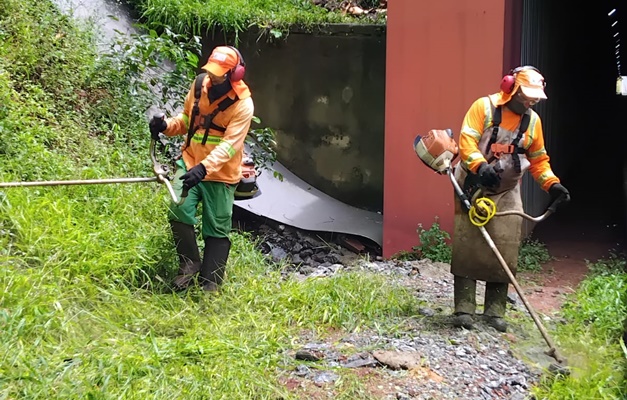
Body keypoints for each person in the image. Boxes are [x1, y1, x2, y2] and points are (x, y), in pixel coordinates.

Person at [450, 66, 570, 332]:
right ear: (511, 88)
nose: (531, 101)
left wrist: (552, 184)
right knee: (468, 242)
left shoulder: (533, 122)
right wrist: (480, 167)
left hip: (507, 189)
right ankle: (464, 309)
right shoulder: (484, 108)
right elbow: (467, 140)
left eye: (535, 97)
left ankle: (494, 312)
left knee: (506, 245)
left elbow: (538, 159)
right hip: (472, 184)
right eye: (527, 96)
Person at [148, 45, 254, 292]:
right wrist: (165, 126)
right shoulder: (199, 86)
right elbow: (186, 121)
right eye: (211, 72)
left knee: (217, 227)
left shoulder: (242, 105)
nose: (213, 78)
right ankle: (189, 265)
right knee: (179, 210)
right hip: (190, 162)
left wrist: (204, 169)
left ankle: (211, 285)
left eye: (219, 74)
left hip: (220, 175)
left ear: (235, 74)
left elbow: (229, 146)